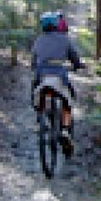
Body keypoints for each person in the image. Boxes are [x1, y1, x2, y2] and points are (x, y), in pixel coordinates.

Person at [31, 11, 82, 157]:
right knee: (68, 100)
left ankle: (40, 120)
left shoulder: (38, 40)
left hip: (42, 76)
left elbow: (33, 62)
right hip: (59, 76)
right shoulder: (64, 39)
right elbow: (74, 57)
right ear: (55, 24)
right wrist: (77, 65)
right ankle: (65, 130)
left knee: (37, 93)